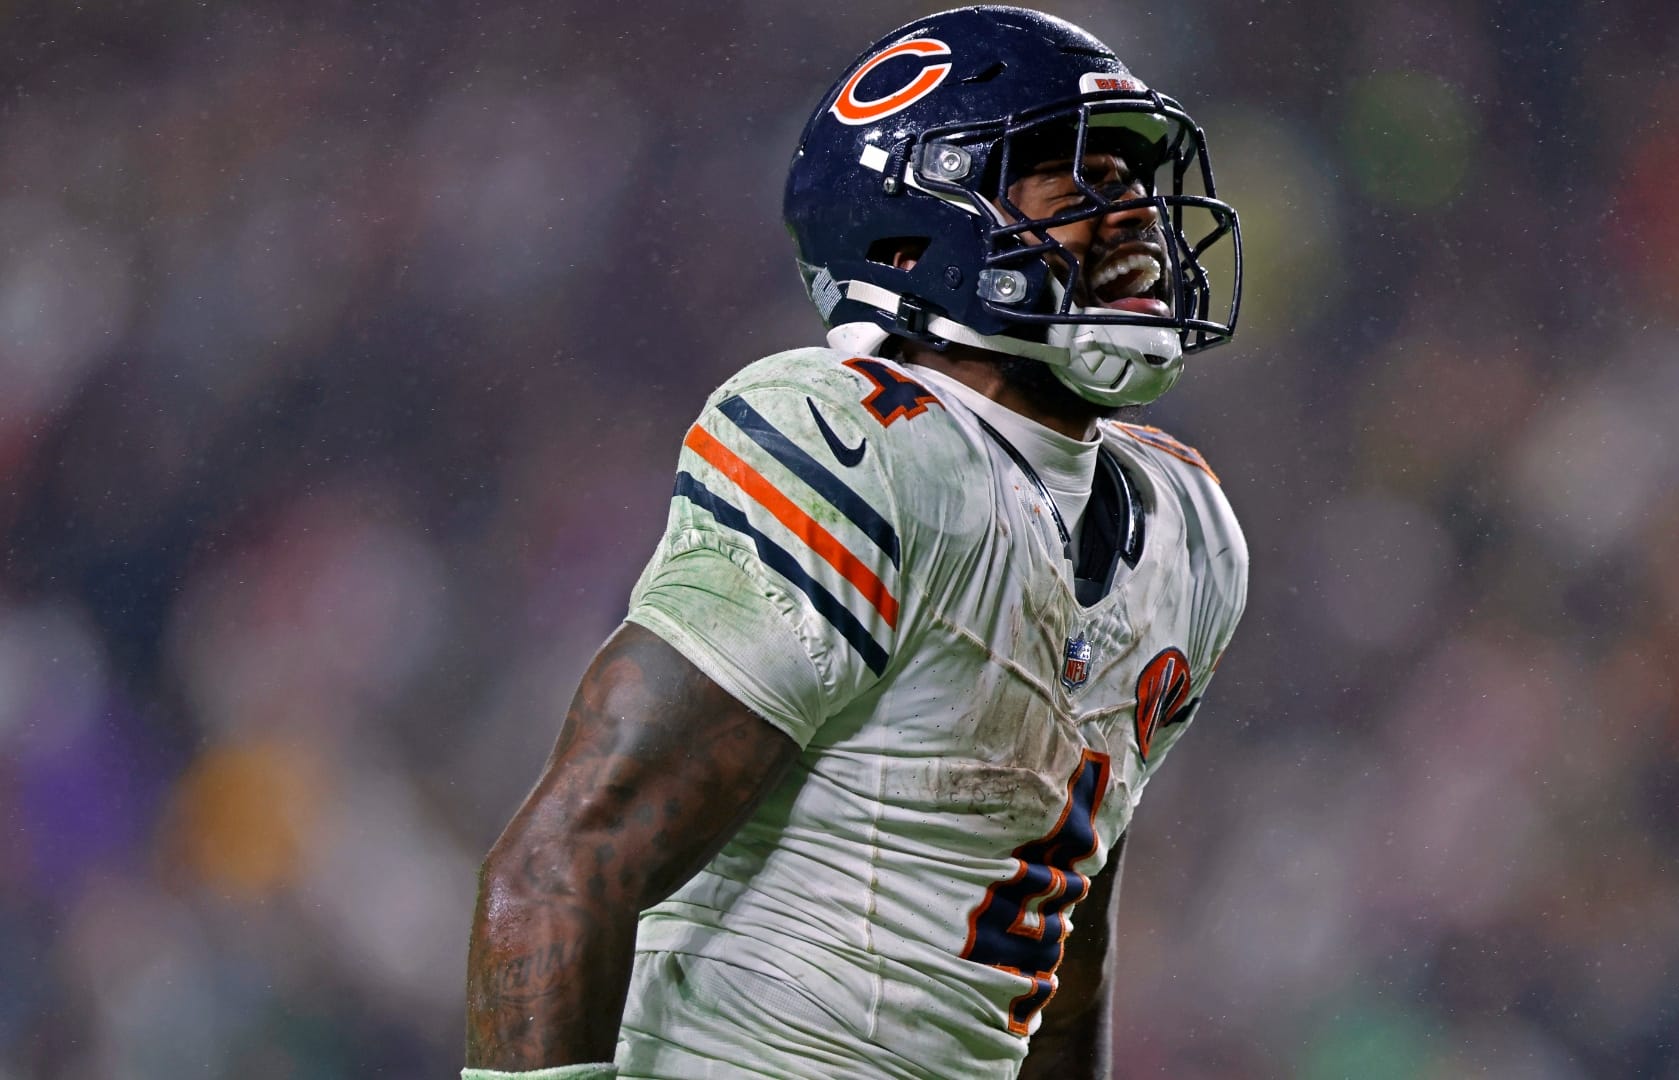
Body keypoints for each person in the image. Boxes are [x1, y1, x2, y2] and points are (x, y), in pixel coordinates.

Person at [462, 7, 1246, 1078]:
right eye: (1084, 187)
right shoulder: (857, 443)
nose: (1141, 222)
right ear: (925, 223)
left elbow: (1055, 934)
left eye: (1138, 186)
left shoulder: (1186, 530)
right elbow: (564, 864)